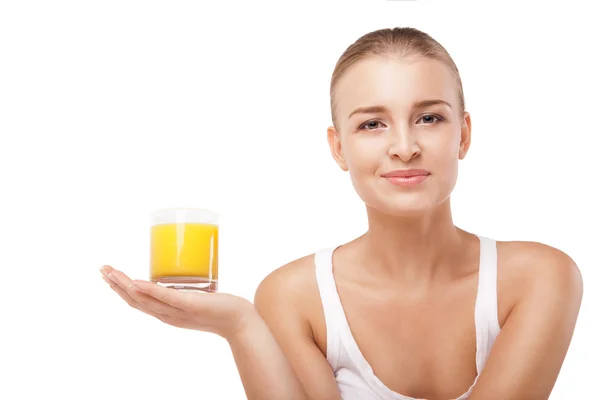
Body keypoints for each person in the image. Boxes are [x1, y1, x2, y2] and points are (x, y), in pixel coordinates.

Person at [99, 27, 583, 400]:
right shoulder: (294, 298)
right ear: (338, 148)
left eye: (429, 117)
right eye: (372, 124)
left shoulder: (540, 278)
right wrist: (241, 327)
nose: (404, 147)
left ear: (464, 134)